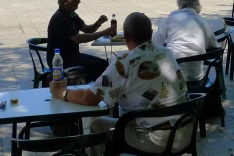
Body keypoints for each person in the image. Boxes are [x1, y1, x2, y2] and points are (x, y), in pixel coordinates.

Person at [49, 13, 189, 156]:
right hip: (184, 131)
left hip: (156, 139)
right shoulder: (166, 52)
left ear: (125, 37)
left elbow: (88, 98)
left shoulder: (125, 64)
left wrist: (63, 93)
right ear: (151, 34)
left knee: (97, 124)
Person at [46, 0, 116, 83]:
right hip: (63, 60)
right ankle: (92, 90)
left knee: (104, 64)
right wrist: (103, 33)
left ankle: (97, 89)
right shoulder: (61, 18)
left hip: (73, 55)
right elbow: (78, 38)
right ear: (66, 2)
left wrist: (98, 23)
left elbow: (87, 29)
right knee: (99, 67)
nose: (79, 1)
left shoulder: (72, 14)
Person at [153, 0, 218, 81]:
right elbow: (213, 45)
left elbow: (156, 42)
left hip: (173, 74)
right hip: (196, 75)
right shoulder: (202, 21)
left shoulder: (172, 18)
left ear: (180, 4)